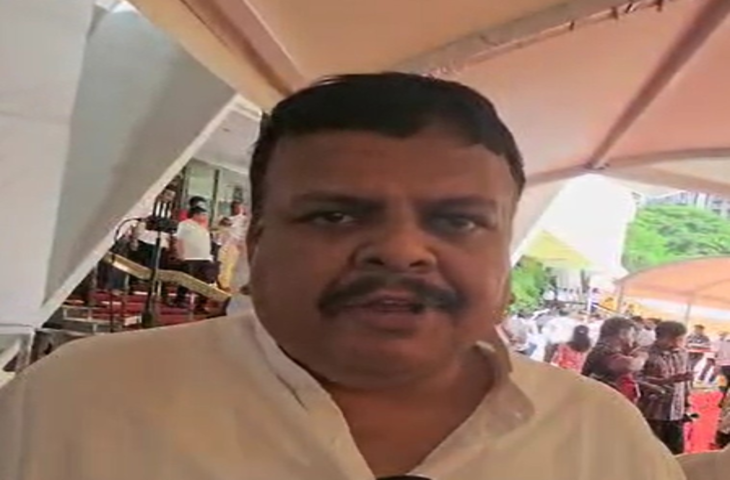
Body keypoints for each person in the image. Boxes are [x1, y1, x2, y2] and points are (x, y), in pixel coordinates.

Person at [0, 73, 684, 480]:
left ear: (504, 253)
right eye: (335, 215)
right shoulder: (76, 403)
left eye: (456, 221)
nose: (401, 251)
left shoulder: (600, 439)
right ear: (256, 243)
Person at [638, 321, 691, 454]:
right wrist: (663, 382)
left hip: (676, 413)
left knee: (676, 454)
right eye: (679, 339)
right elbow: (634, 379)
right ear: (665, 337)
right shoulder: (643, 353)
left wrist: (687, 402)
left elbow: (686, 381)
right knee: (650, 453)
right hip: (652, 413)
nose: (680, 343)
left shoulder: (682, 353)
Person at [582, 317, 642, 403]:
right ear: (622, 334)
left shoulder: (604, 347)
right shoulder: (604, 349)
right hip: (596, 401)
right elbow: (628, 365)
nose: (634, 339)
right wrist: (641, 358)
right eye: (632, 334)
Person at [172, 206, 215, 311]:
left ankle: (201, 305)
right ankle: (179, 300)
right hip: (190, 257)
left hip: (205, 258)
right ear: (195, 215)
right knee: (186, 280)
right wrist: (180, 254)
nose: (205, 217)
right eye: (203, 214)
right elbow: (178, 240)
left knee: (205, 282)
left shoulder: (204, 227)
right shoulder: (185, 224)